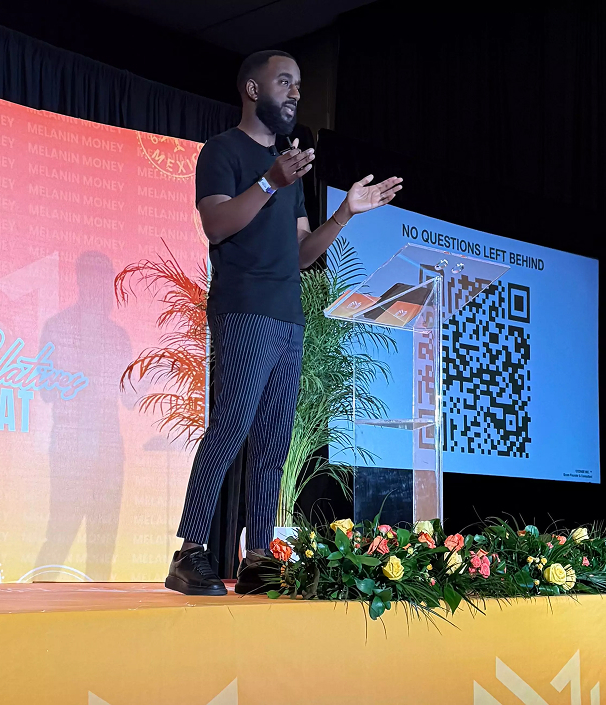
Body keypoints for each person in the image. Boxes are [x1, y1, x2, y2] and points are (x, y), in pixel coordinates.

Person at [165, 49, 403, 596]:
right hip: (244, 309)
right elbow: (217, 224)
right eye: (284, 82)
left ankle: (256, 558)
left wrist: (344, 214)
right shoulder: (223, 150)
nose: (295, 92)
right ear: (253, 90)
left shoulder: (288, 168)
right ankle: (190, 552)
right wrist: (270, 182)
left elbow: (300, 255)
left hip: (288, 316)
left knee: (273, 442)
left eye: (298, 84)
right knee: (230, 428)